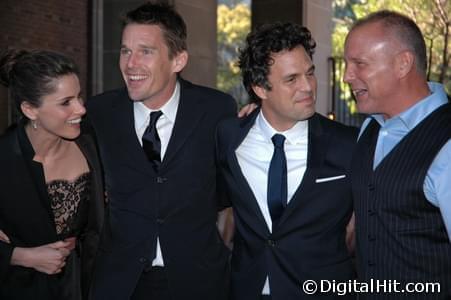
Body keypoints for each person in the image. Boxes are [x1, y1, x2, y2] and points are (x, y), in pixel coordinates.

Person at [85, 2, 236, 300]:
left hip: (199, 281)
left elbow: (226, 187)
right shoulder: (99, 113)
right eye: (126, 50)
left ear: (178, 60)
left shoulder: (216, 109)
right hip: (120, 283)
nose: (130, 63)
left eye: (145, 51)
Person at [215, 22, 357, 300]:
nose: (308, 87)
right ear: (260, 88)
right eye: (292, 79)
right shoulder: (229, 136)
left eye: (310, 73)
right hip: (247, 290)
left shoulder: (349, 143)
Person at [344, 10, 451, 299]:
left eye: (359, 64)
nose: (346, 76)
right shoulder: (368, 129)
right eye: (346, 64)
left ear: (403, 63)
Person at [0, 49, 104, 300]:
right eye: (65, 102)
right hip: (21, 290)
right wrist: (22, 256)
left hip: (87, 286)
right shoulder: (4, 159)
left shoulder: (92, 143)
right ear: (30, 109)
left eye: (79, 97)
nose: (80, 109)